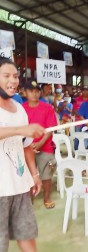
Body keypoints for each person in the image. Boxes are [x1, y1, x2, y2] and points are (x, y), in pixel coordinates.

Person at [0, 57, 45, 252]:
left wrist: (34, 175)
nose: (13, 80)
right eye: (6, 76)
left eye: (16, 76)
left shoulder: (19, 109)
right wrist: (21, 130)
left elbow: (26, 147)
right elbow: (20, 133)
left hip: (19, 185)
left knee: (27, 236)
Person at [22, 80, 58, 209]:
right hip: (27, 148)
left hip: (45, 147)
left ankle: (47, 198)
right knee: (28, 175)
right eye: (31, 91)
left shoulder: (47, 108)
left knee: (46, 174)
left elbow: (50, 129)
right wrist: (29, 145)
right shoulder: (21, 109)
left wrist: (40, 143)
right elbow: (21, 130)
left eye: (37, 91)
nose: (34, 94)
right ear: (24, 92)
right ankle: (29, 199)